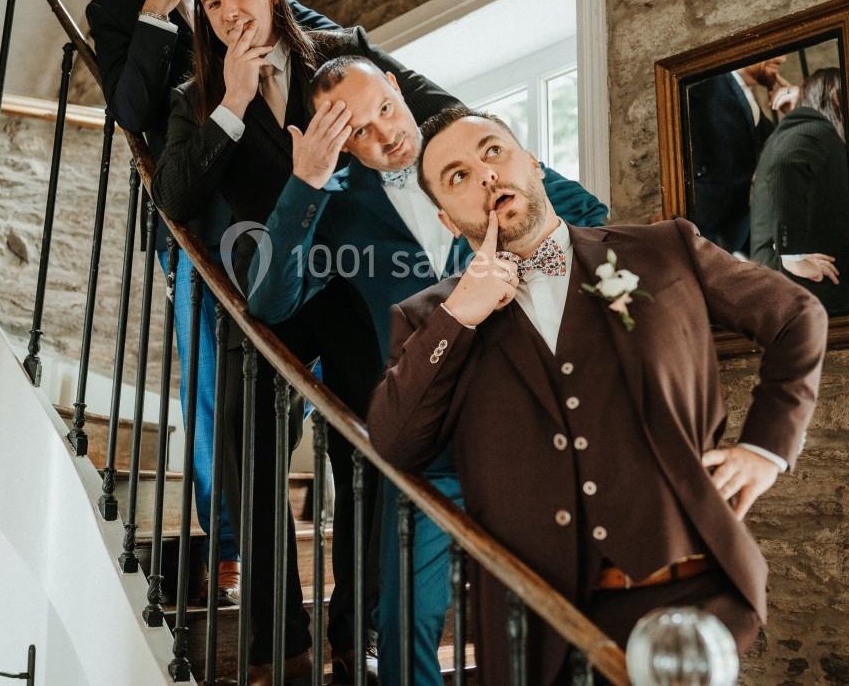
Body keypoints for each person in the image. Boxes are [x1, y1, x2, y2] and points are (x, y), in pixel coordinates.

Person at [368, 111, 828, 685]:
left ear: (532, 163)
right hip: (534, 628)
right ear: (444, 216)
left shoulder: (665, 249)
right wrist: (460, 313)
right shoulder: (426, 319)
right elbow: (394, 444)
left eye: (492, 152)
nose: (484, 176)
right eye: (457, 176)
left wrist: (767, 447)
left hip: (689, 600)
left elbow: (796, 316)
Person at [153, 0, 458, 685]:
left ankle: (359, 633)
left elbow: (436, 105)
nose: (227, 11)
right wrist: (228, 102)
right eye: (212, 2)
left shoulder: (343, 52)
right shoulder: (195, 97)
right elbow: (175, 200)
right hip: (261, 298)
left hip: (352, 290)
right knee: (249, 469)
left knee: (367, 454)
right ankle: (275, 649)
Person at [246, 66, 608, 686]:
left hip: (530, 424)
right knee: (405, 616)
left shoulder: (482, 155)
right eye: (358, 131)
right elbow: (270, 303)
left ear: (395, 84)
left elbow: (592, 220)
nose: (385, 135)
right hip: (426, 437)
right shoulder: (333, 209)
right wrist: (305, 181)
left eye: (386, 108)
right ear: (339, 144)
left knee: (545, 602)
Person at [84, 0, 335, 606]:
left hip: (278, 207)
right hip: (195, 221)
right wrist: (160, 15)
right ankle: (230, 550)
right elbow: (132, 113)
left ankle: (321, 473)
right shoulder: (118, 7)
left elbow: (313, 35)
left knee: (305, 372)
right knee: (212, 395)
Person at [750, 67, 849, 314]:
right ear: (834, 96)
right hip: (804, 286)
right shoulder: (814, 128)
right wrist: (793, 254)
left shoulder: (803, 129)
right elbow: (784, 167)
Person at [684, 57, 785, 254]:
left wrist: (793, 109)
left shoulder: (749, 98)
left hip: (742, 239)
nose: (782, 58)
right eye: (774, 50)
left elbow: (776, 152)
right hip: (711, 236)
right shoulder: (710, 87)